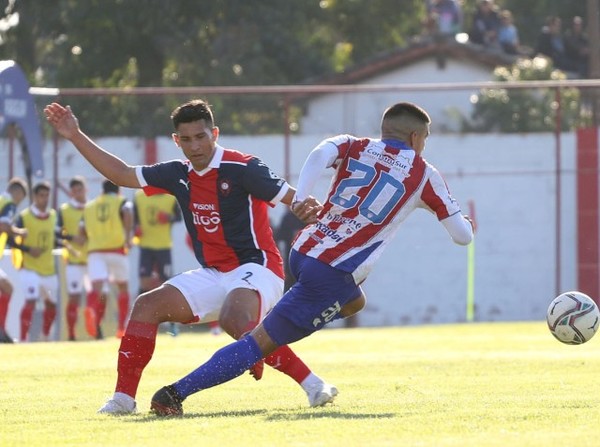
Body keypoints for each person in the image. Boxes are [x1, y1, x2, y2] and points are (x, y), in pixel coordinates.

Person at [146, 101, 474, 416]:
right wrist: (461, 222)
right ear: (416, 138)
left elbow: (319, 153)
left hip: (304, 250)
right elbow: (462, 237)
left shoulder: (353, 144)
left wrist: (302, 197)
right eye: (425, 140)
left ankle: (289, 319)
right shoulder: (424, 174)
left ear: (385, 130)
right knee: (260, 343)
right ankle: (173, 394)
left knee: (353, 301)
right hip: (329, 273)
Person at [44, 99, 338, 415]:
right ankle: (123, 399)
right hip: (213, 272)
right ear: (176, 140)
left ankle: (311, 384)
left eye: (201, 137)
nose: (195, 146)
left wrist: (309, 209)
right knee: (146, 305)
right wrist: (74, 135)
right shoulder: (176, 173)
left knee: (235, 319)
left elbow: (294, 199)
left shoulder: (243, 168)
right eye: (186, 139)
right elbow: (123, 175)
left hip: (258, 266)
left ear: (215, 133)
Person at [82, 179, 134, 340]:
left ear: (102, 191)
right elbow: (128, 211)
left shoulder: (89, 206)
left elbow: (81, 229)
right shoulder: (121, 201)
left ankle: (91, 309)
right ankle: (121, 328)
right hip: (116, 249)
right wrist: (128, 236)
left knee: (96, 288)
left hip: (95, 250)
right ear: (118, 189)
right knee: (123, 288)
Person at [13, 181, 60, 342]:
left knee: (52, 306)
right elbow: (12, 241)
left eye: (47, 195)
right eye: (41, 195)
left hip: (49, 269)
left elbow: (55, 238)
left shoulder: (53, 215)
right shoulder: (24, 217)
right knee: (31, 301)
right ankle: (23, 339)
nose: (45, 199)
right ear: (34, 197)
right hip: (30, 268)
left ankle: (45, 336)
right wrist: (27, 250)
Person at [133, 188, 183, 336]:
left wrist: (169, 218)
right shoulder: (139, 197)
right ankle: (138, 322)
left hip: (163, 247)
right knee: (144, 282)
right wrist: (135, 228)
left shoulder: (170, 198)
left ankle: (173, 325)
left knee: (167, 284)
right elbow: (134, 219)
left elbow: (179, 217)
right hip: (146, 246)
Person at [57, 176, 89, 341]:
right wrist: (71, 238)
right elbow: (56, 233)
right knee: (74, 297)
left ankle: (96, 331)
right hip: (74, 260)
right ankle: (71, 334)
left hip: (93, 258)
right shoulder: (64, 210)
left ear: (86, 189)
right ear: (71, 192)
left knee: (98, 296)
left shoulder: (92, 208)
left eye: (80, 189)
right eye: (75, 191)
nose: (78, 193)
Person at [0, 177, 28, 343]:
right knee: (7, 287)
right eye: (21, 198)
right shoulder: (9, 203)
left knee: (7, 287)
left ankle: (2, 331)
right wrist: (20, 232)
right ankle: (1, 331)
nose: (19, 202)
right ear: (17, 192)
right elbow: (4, 226)